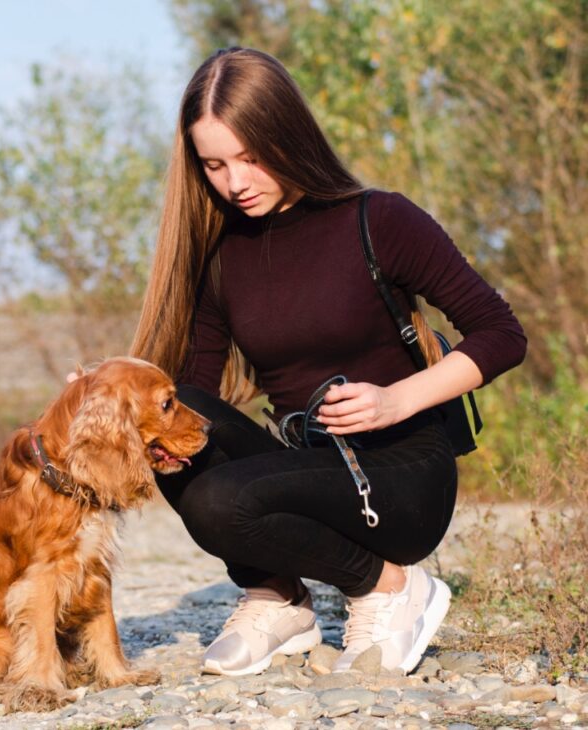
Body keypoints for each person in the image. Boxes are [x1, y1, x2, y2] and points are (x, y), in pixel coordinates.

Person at [129, 47, 526, 675]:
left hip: (400, 477)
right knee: (165, 418)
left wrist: (397, 398)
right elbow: (195, 396)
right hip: (305, 466)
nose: (235, 183)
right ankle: (278, 597)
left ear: (286, 135)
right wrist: (115, 401)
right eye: (215, 164)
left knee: (220, 502)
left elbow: (502, 333)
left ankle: (389, 586)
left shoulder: (379, 219)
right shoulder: (221, 258)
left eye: (251, 158)